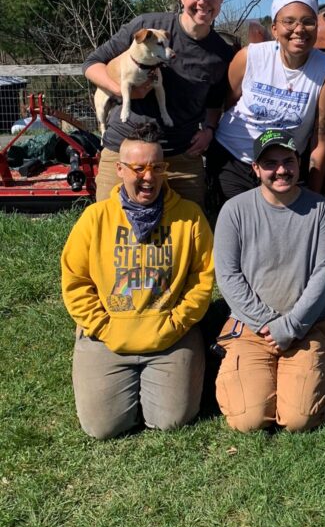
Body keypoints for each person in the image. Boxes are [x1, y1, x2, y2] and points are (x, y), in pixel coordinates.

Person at [61, 122, 214, 439]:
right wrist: (102, 325)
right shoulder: (95, 218)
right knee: (102, 428)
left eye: (157, 167)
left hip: (170, 334)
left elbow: (202, 280)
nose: (149, 177)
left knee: (172, 420)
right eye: (138, 168)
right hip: (108, 334)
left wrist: (177, 322)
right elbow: (75, 281)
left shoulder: (189, 216)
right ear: (118, 169)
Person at [212, 129, 325, 433]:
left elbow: (324, 273)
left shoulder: (321, 210)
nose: (281, 170)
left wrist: (291, 326)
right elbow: (228, 276)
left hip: (307, 326)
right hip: (252, 327)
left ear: (299, 162)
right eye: (270, 163)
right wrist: (269, 323)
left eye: (288, 161)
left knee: (300, 420)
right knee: (248, 420)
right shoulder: (234, 211)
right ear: (255, 169)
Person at [84, 0, 234, 206]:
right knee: (111, 231)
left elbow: (215, 103)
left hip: (182, 158)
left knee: (185, 235)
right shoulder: (147, 26)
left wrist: (208, 131)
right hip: (125, 151)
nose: (201, 1)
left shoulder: (222, 53)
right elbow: (91, 65)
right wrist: (122, 92)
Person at [208, 0, 325, 202]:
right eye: (289, 22)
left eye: (308, 21)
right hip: (233, 157)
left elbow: (321, 142)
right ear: (274, 28)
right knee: (236, 223)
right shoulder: (250, 58)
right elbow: (227, 103)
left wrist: (313, 199)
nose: (299, 29)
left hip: (282, 168)